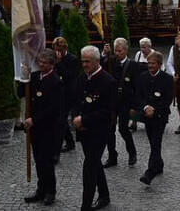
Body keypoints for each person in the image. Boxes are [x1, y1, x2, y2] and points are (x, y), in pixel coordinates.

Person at [72, 46, 116, 211]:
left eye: (87, 61)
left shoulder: (108, 81)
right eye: (82, 61)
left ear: (97, 61)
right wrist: (76, 117)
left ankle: (85, 205)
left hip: (99, 131)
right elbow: (76, 100)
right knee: (95, 163)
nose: (84, 65)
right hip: (83, 130)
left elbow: (107, 111)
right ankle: (104, 195)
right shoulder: (81, 78)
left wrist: (84, 119)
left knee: (89, 166)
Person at [18, 49, 63, 206]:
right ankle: (40, 190)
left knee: (46, 161)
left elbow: (53, 108)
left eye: (45, 63)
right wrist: (23, 78)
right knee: (38, 160)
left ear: (52, 64)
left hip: (48, 128)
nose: (41, 65)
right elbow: (21, 94)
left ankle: (51, 191)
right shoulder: (35, 76)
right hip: (34, 128)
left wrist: (34, 120)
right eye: (40, 62)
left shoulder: (56, 81)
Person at [136, 51, 173, 185]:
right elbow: (138, 96)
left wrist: (155, 110)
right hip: (146, 116)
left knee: (156, 142)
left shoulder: (167, 79)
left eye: (153, 63)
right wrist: (146, 107)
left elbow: (168, 99)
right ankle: (159, 165)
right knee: (153, 143)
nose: (150, 66)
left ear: (159, 64)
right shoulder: (142, 77)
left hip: (160, 117)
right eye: (149, 63)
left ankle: (150, 173)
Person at [101, 38, 139, 168]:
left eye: (120, 51)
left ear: (125, 50)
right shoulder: (111, 61)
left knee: (123, 129)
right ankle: (112, 156)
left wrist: (134, 106)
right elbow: (102, 66)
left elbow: (136, 87)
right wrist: (104, 53)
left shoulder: (132, 65)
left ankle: (132, 153)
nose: (117, 53)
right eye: (115, 50)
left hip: (125, 102)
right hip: (112, 102)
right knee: (109, 130)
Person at [52, 37, 78, 163]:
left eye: (60, 50)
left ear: (65, 48)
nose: (58, 52)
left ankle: (56, 153)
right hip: (57, 94)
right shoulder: (54, 60)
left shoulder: (72, 59)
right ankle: (70, 141)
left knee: (61, 121)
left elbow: (69, 76)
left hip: (69, 94)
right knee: (60, 121)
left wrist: (59, 62)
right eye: (56, 50)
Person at [131, 37, 164, 131]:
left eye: (144, 47)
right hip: (139, 82)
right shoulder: (138, 54)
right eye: (141, 47)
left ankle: (151, 120)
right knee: (137, 102)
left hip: (151, 82)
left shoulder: (155, 54)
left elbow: (162, 69)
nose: (142, 50)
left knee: (150, 102)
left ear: (149, 47)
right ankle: (134, 122)